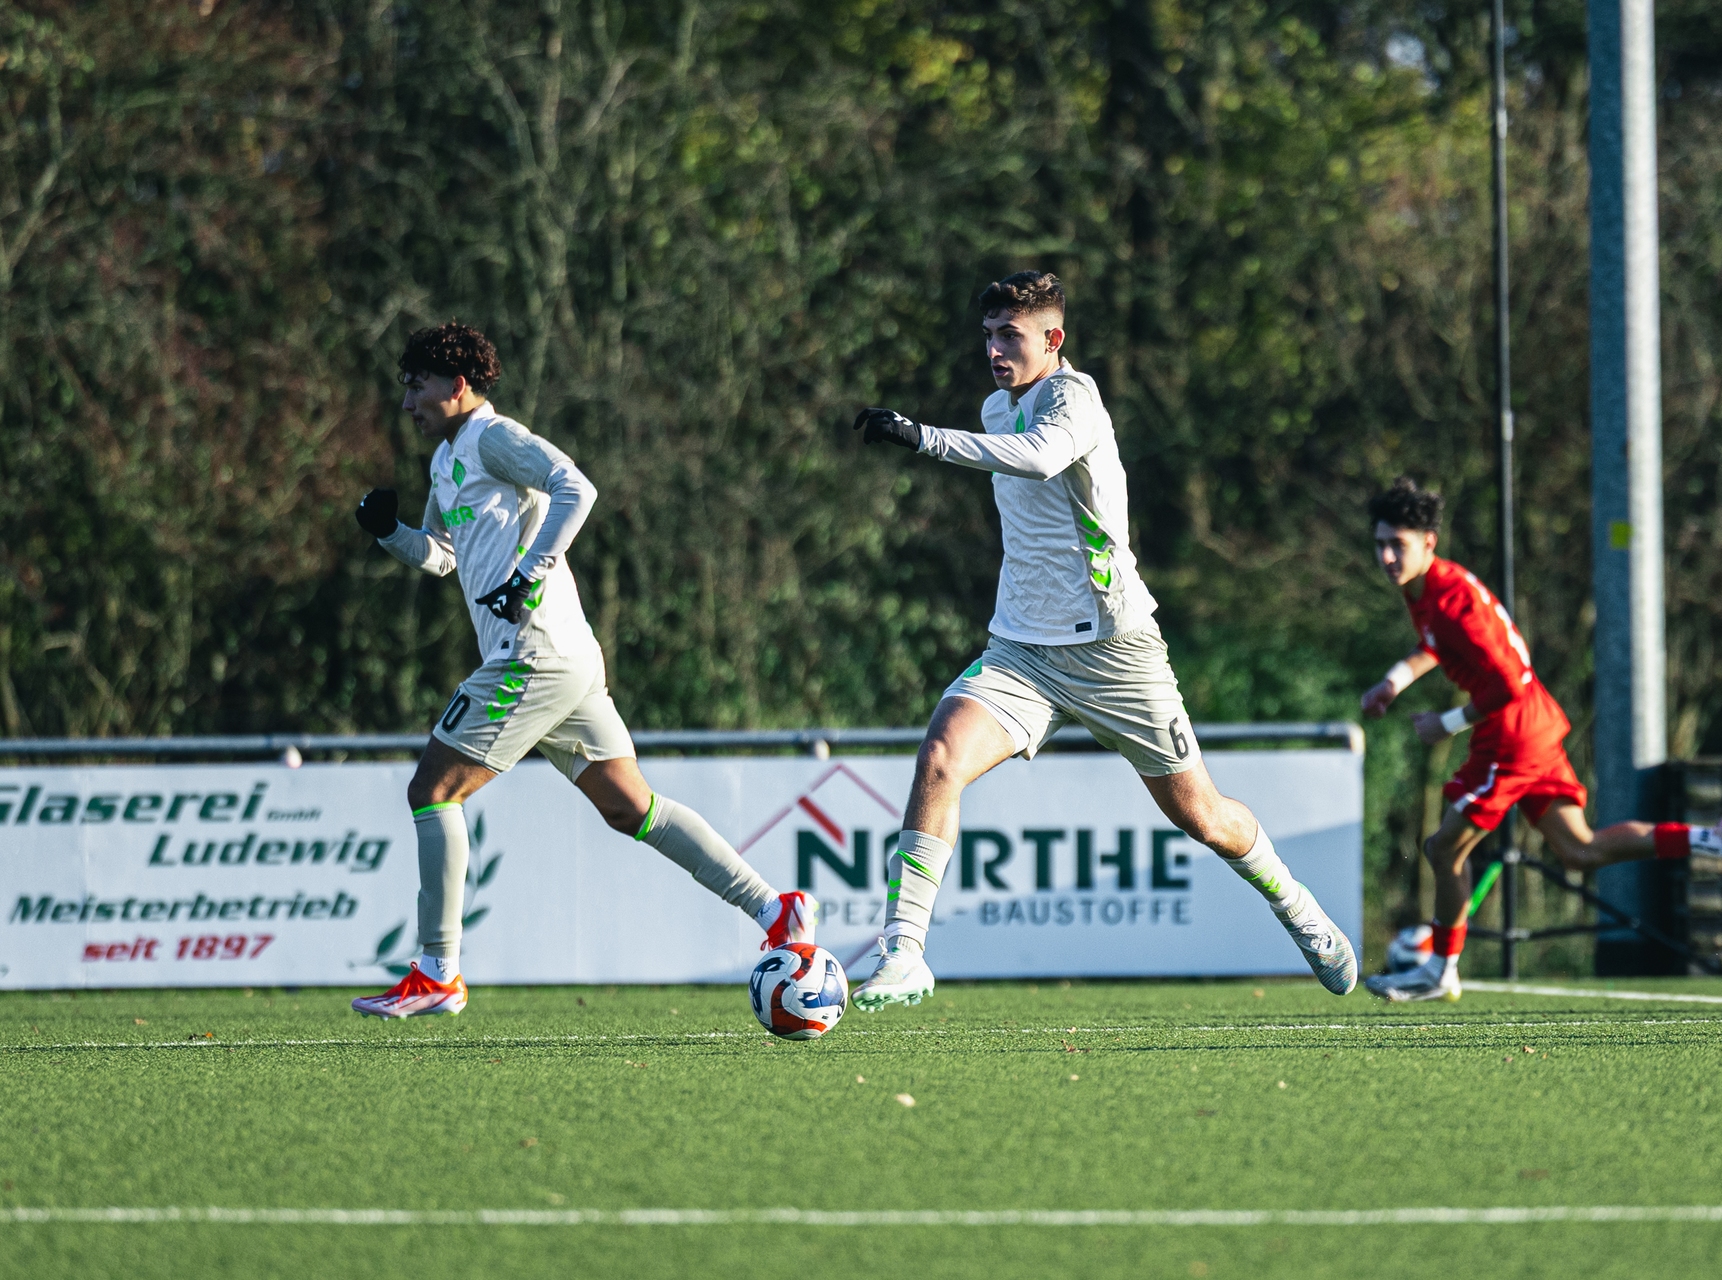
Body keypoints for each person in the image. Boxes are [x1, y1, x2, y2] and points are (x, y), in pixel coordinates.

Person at [845, 271, 1357, 1010]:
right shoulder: (998, 404)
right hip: (1022, 649)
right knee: (940, 756)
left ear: (1053, 340)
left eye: (1010, 336)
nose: (994, 349)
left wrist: (922, 437)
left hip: (1115, 649)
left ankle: (1303, 916)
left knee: (1203, 817)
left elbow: (1039, 458)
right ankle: (904, 951)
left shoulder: (1073, 399)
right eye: (988, 335)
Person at [348, 321, 816, 1018]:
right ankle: (776, 909)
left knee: (433, 790)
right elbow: (442, 558)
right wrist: (390, 534)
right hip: (560, 657)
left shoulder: (493, 437)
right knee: (632, 808)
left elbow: (576, 486)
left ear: (457, 384)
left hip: (531, 655)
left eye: (416, 388)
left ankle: (437, 972)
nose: (407, 403)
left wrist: (529, 573)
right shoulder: (446, 461)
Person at [1358, 477, 1722, 1003]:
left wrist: (1445, 724)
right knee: (1580, 850)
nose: (1385, 556)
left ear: (1429, 542)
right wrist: (1395, 681)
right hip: (1531, 724)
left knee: (1443, 845)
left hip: (1513, 732)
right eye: (1379, 544)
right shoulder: (1425, 589)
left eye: (1396, 544)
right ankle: (1716, 839)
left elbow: (1509, 682)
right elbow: (1436, 648)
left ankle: (1441, 968)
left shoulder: (1452, 602)